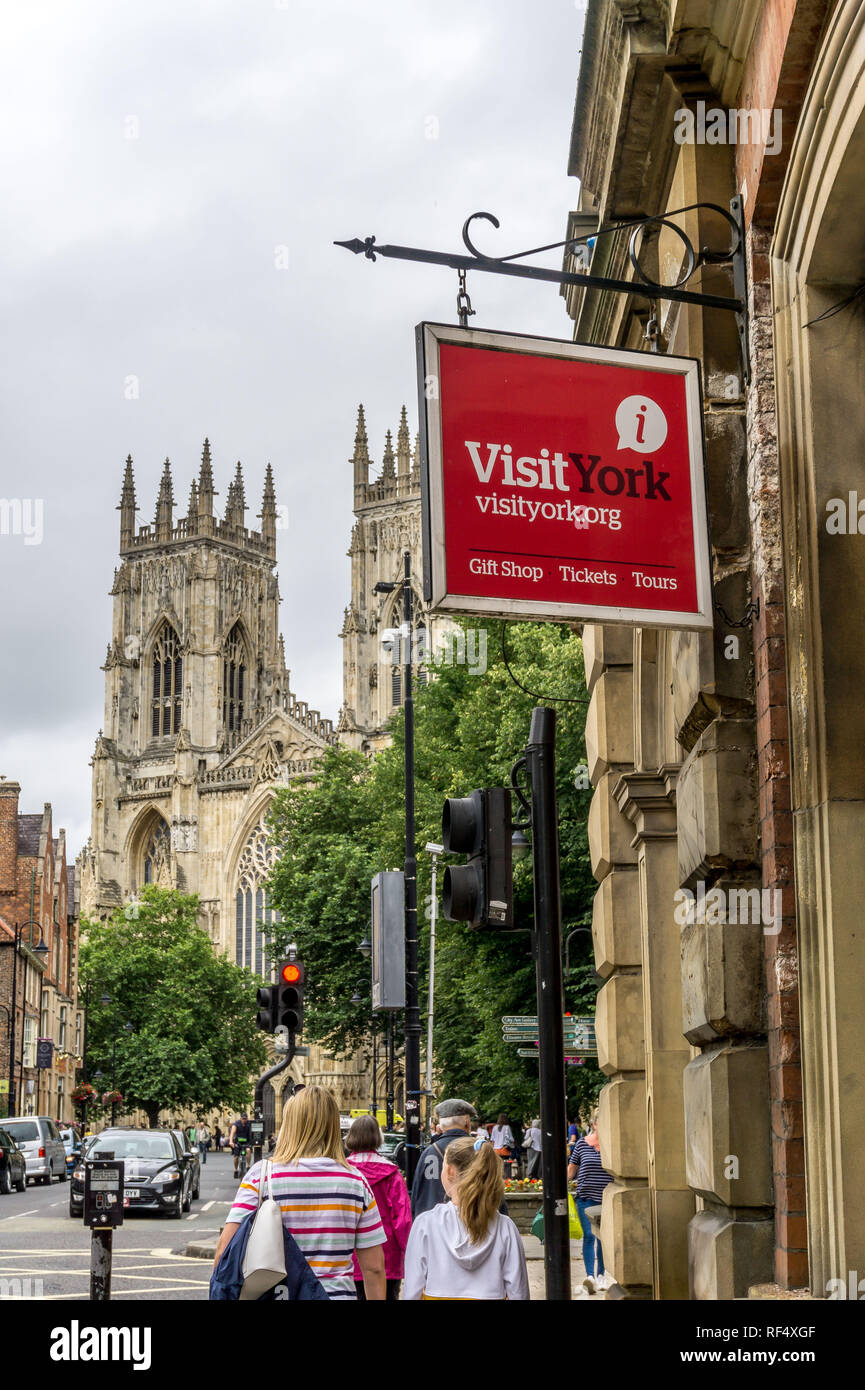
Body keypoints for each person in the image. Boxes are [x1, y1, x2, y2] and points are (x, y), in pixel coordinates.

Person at [213, 1085, 387, 1300]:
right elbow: (374, 1268)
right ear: (333, 1126)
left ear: (290, 1123)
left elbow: (225, 1252)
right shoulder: (356, 1182)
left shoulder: (262, 1176)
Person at [403, 1136, 529, 1300]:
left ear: (449, 1172)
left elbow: (412, 1291)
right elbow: (519, 1292)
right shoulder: (505, 1228)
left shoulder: (425, 1225)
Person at [345, 1114, 412, 1301]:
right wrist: (410, 1254)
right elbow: (403, 1221)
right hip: (386, 1258)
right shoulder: (392, 1175)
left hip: (348, 1257)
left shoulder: (342, 1173)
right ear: (378, 1138)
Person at [567, 1110, 613, 1295]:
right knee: (589, 1235)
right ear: (594, 1124)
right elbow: (572, 1169)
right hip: (586, 1198)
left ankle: (601, 1275)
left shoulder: (612, 1146)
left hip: (607, 1200)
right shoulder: (581, 1144)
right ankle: (590, 1277)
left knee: (602, 1237)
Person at [411, 1098, 477, 1217]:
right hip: (473, 1223)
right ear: (467, 1122)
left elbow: (416, 1194)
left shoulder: (428, 1152)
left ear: (440, 1126)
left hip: (432, 1226)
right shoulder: (479, 1151)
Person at [228, 1112, 252, 1178]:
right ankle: (236, 1170)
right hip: (238, 1142)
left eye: (245, 1119)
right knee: (236, 1157)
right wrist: (231, 1141)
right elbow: (232, 1133)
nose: (244, 1120)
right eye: (243, 1119)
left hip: (246, 1142)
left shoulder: (249, 1123)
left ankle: (248, 1165)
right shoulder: (236, 1124)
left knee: (248, 1150)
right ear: (240, 1118)